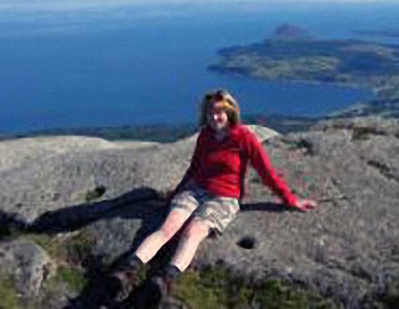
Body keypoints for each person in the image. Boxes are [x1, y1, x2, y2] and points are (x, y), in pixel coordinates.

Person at [104, 89, 318, 308]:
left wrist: (289, 199)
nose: (214, 117)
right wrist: (176, 194)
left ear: (230, 111)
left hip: (224, 198)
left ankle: (164, 281)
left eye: (219, 112)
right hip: (196, 189)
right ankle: (126, 271)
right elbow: (194, 167)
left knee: (193, 232)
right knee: (167, 228)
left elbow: (266, 171)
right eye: (209, 113)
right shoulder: (205, 135)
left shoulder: (244, 137)